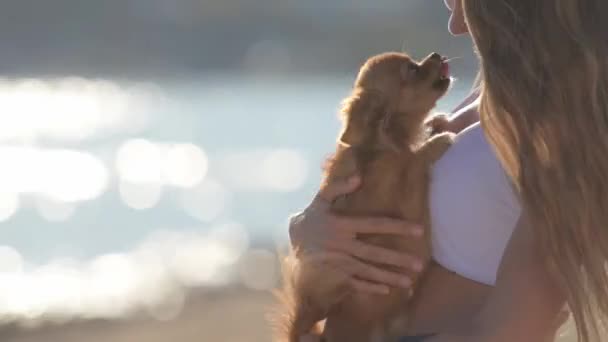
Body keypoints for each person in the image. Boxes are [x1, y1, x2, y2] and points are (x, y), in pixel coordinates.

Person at [289, 0, 608, 341]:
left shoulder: (568, 111)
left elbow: (523, 317)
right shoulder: (496, 91)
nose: (451, 17)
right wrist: (307, 229)